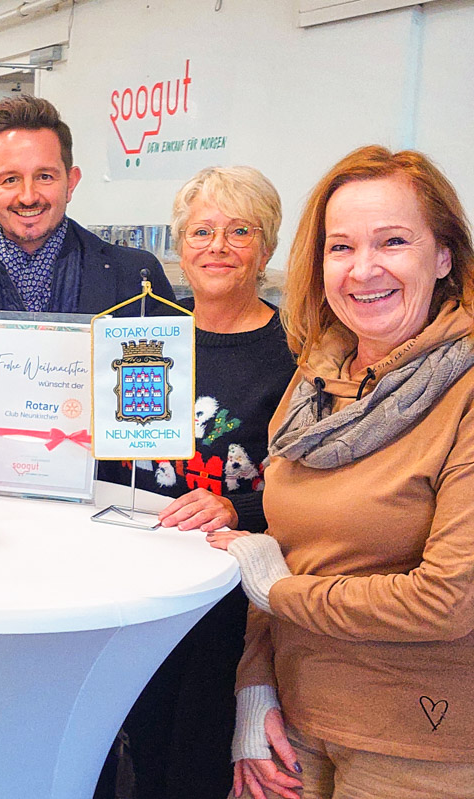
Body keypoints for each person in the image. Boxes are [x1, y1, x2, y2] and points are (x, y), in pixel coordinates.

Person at [208, 146, 474, 799]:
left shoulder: (463, 392)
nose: (364, 269)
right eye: (341, 246)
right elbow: (282, 546)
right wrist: (253, 688)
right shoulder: (317, 378)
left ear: (443, 255)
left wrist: (277, 592)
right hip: (293, 725)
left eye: (393, 241)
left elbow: (447, 600)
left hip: (417, 745)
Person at [93, 166, 295, 799]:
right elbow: (108, 460)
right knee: (142, 739)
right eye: (202, 230)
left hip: (230, 595)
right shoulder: (147, 333)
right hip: (142, 583)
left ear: (266, 247)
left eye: (240, 231)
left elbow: (312, 488)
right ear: (179, 244)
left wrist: (235, 506)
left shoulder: (297, 350)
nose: (218, 246)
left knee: (202, 756)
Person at [0, 94, 175, 428]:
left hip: (102, 479)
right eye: (10, 179)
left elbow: (167, 407)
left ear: (72, 182)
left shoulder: (136, 277)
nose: (28, 196)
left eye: (45, 177)